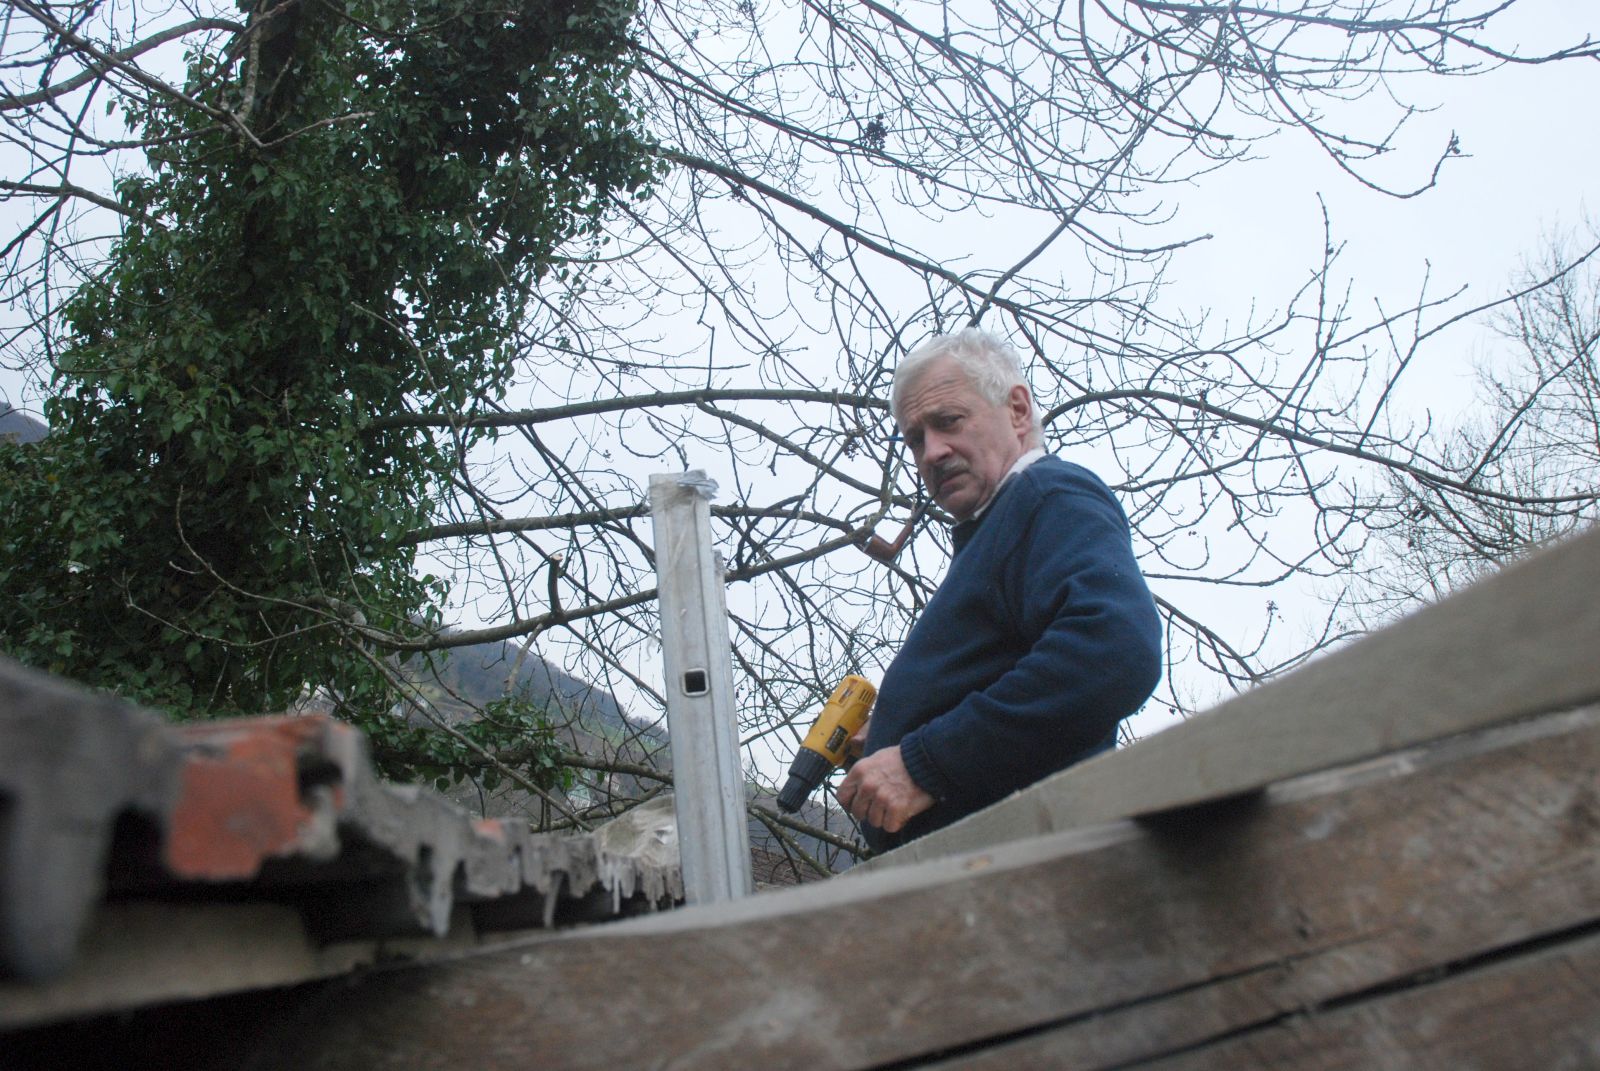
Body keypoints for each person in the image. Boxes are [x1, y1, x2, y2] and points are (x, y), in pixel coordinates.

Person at [837, 328, 1162, 852]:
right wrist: (892, 734)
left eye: (948, 421)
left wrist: (924, 763)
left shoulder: (1047, 497)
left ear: (1017, 410)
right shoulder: (999, 528)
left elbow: (1114, 650)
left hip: (1029, 869)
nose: (931, 452)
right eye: (915, 439)